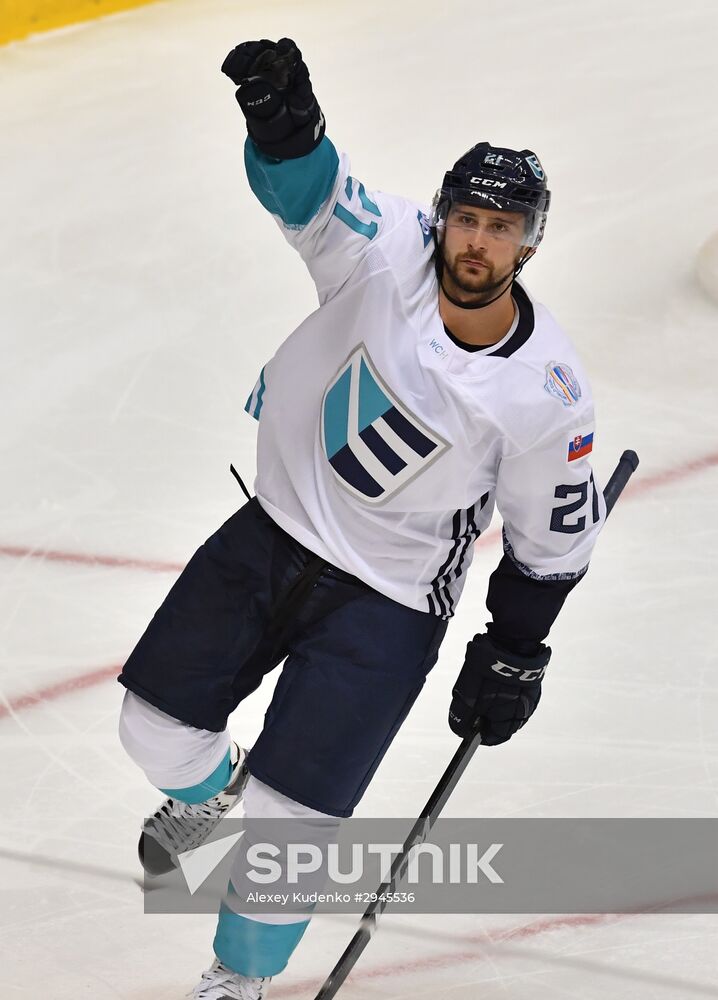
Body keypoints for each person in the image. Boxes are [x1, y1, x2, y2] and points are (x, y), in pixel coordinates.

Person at [117, 37, 605, 1000]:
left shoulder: (547, 397)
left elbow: (553, 542)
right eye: (466, 219)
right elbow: (312, 193)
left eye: (501, 229)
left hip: (386, 604)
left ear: (531, 243)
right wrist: (284, 124)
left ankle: (236, 981)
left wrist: (516, 649)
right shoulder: (389, 252)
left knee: (289, 832)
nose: (477, 242)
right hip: (272, 534)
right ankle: (211, 796)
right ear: (443, 219)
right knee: (153, 731)